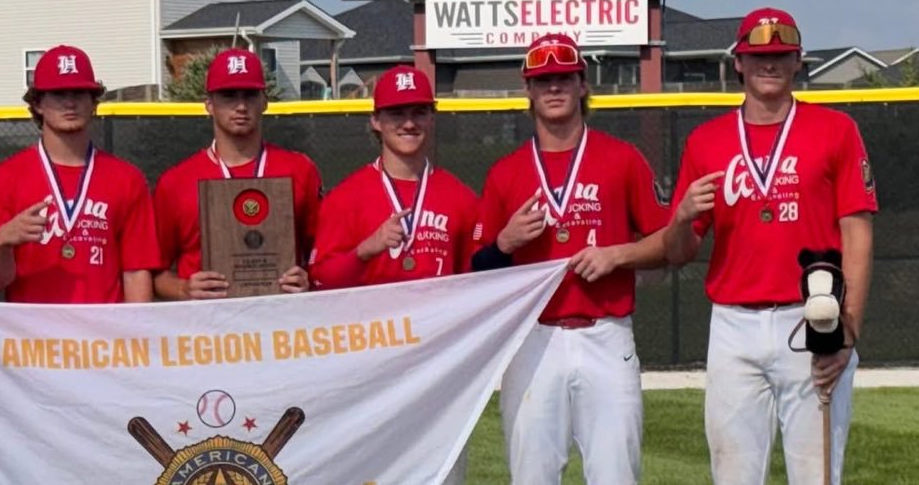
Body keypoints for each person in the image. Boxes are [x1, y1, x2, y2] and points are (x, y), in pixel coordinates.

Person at [664, 8, 876, 485]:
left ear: (798, 60)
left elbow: (857, 233)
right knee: (732, 474)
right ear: (738, 62)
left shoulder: (836, 129)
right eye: (758, 55)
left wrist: (849, 329)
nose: (770, 64)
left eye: (781, 54)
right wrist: (680, 217)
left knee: (817, 475)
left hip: (813, 317)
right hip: (733, 323)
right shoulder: (706, 140)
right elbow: (679, 252)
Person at [468, 34, 672, 484]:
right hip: (533, 340)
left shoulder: (621, 158)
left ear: (583, 84)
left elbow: (669, 243)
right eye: (543, 80)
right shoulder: (505, 172)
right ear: (528, 89)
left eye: (564, 77)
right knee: (532, 474)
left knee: (617, 474)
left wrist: (618, 255)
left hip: (606, 333)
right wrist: (505, 242)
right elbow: (477, 273)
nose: (554, 88)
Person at [0, 45, 161, 303]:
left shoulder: (127, 178)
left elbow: (136, 272)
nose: (69, 102)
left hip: (103, 328)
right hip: (33, 329)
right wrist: (2, 242)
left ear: (93, 102)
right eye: (58, 93)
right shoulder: (5, 178)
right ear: (38, 103)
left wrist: (137, 328)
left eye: (79, 92)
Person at [153, 48, 319, 299]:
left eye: (250, 95)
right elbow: (155, 273)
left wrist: (309, 280)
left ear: (264, 102)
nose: (241, 106)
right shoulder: (175, 182)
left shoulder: (299, 169)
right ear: (209, 104)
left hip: (281, 317)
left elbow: (323, 257)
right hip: (207, 320)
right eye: (228, 95)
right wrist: (183, 289)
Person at [308, 64, 477, 289]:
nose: (409, 124)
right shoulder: (345, 198)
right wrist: (364, 252)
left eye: (419, 112)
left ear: (432, 118)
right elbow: (320, 281)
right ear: (376, 121)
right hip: (373, 313)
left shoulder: (461, 198)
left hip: (441, 312)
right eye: (397, 113)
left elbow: (476, 282)